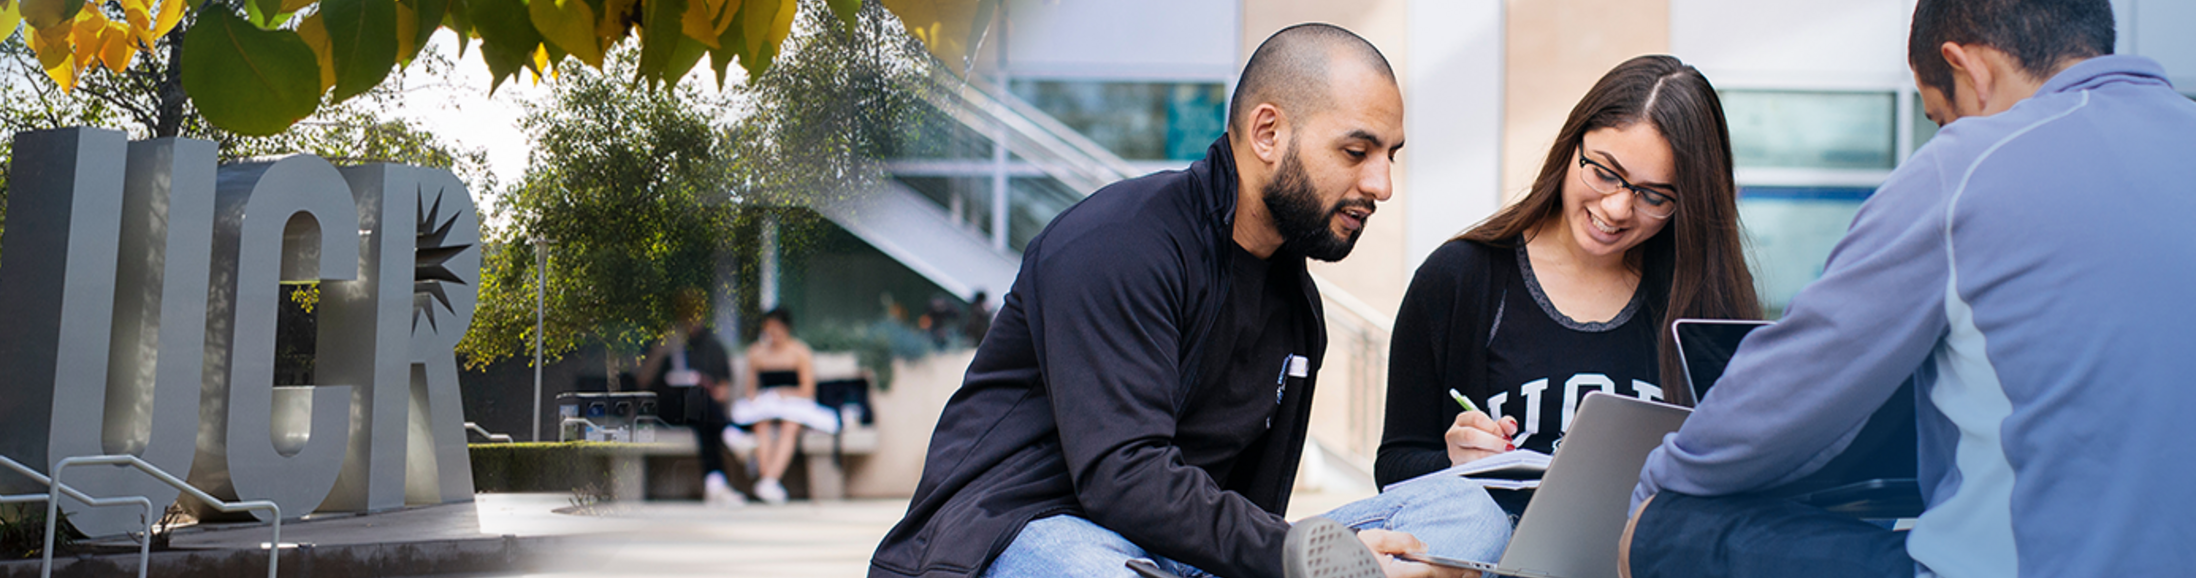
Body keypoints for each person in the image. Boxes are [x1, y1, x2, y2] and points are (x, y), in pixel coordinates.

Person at [1623, 1, 2196, 576]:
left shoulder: (1970, 165)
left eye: (1940, 117)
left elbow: (1797, 384)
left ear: (1968, 68)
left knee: (1665, 528)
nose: (1945, 133)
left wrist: (1651, 494)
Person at [875, 24, 1454, 578]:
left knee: (1458, 515)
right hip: (1020, 532)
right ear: (1268, 133)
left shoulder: (1297, 304)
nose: (1382, 185)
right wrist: (1297, 558)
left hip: (1180, 551)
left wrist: (1307, 556)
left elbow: (1255, 507)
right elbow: (1123, 477)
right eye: (1356, 152)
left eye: (1390, 156)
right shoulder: (1118, 243)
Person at [1368, 54, 1760, 530]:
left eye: (1654, 196)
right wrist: (1455, 465)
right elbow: (1393, 468)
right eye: (1603, 172)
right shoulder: (1459, 279)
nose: (1617, 208)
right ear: (1572, 147)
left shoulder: (1702, 305)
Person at [637, 290, 743, 508]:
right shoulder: (665, 342)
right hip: (668, 410)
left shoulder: (713, 347)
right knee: (703, 412)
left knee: (702, 412)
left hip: (701, 411)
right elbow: (642, 381)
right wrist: (660, 351)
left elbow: (723, 391)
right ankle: (731, 434)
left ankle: (715, 485)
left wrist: (707, 388)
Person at [727, 308, 834, 505]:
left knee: (790, 426)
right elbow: (750, 390)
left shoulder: (800, 352)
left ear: (786, 329)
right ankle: (768, 482)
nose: (773, 335)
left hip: (793, 406)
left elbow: (807, 389)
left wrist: (785, 393)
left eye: (777, 330)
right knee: (761, 425)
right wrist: (765, 398)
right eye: (769, 330)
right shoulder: (756, 353)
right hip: (767, 408)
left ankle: (769, 480)